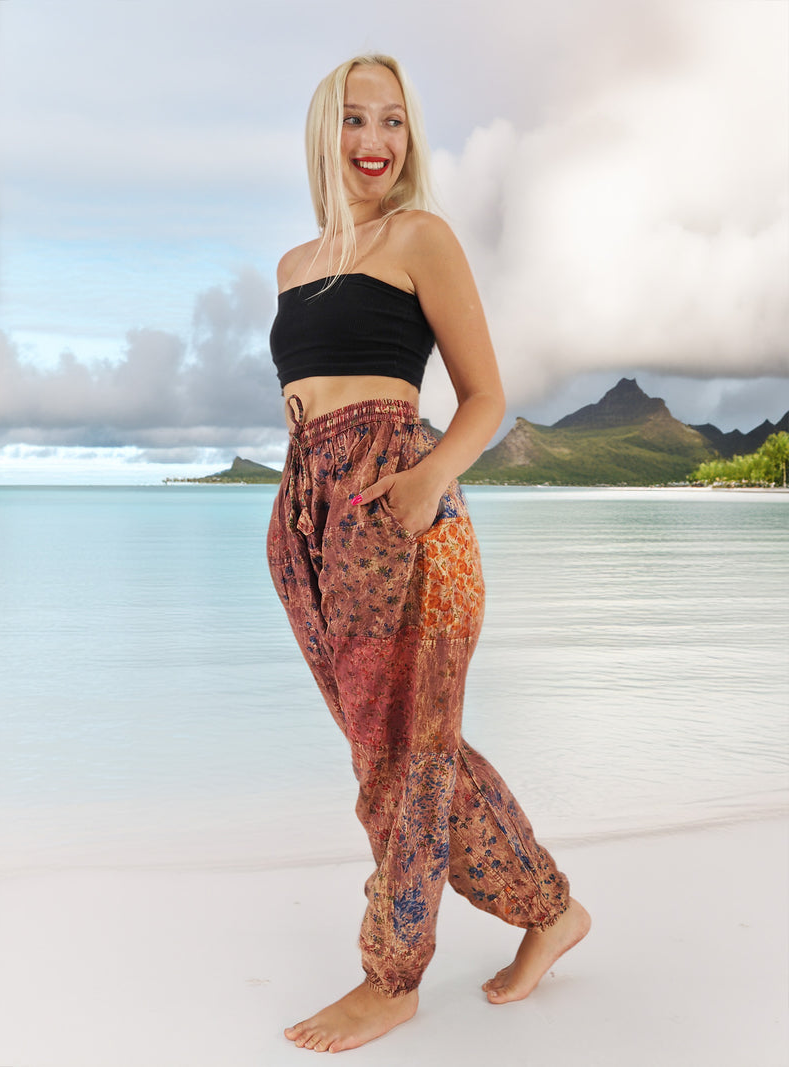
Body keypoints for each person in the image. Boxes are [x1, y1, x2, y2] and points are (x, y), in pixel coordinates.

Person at [267, 53, 590, 1054]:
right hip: (313, 529)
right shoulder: (292, 264)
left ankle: (391, 974)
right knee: (396, 760)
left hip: (406, 518)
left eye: (393, 122)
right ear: (325, 134)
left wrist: (419, 487)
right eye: (356, 120)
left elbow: (484, 394)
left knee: (408, 764)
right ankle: (547, 908)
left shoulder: (422, 237)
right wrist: (294, 523)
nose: (375, 140)